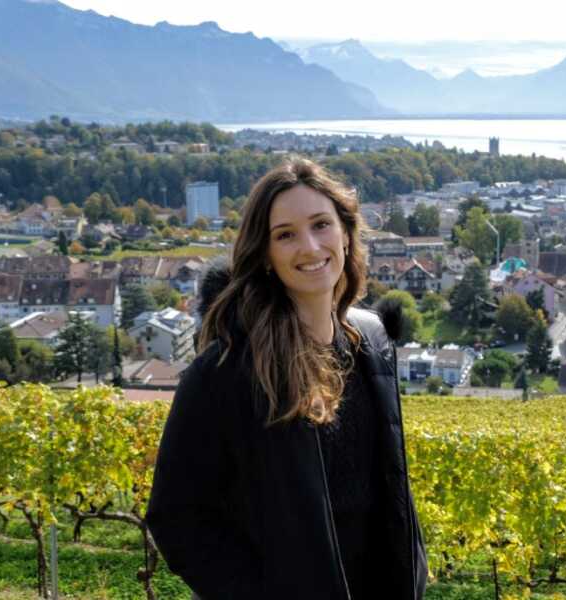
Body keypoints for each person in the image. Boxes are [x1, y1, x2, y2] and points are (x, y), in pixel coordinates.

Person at [145, 158, 427, 600]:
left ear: (346, 233)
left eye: (321, 224)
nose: (311, 247)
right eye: (286, 235)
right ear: (266, 255)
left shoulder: (371, 341)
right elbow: (177, 518)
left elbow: (388, 486)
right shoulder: (226, 370)